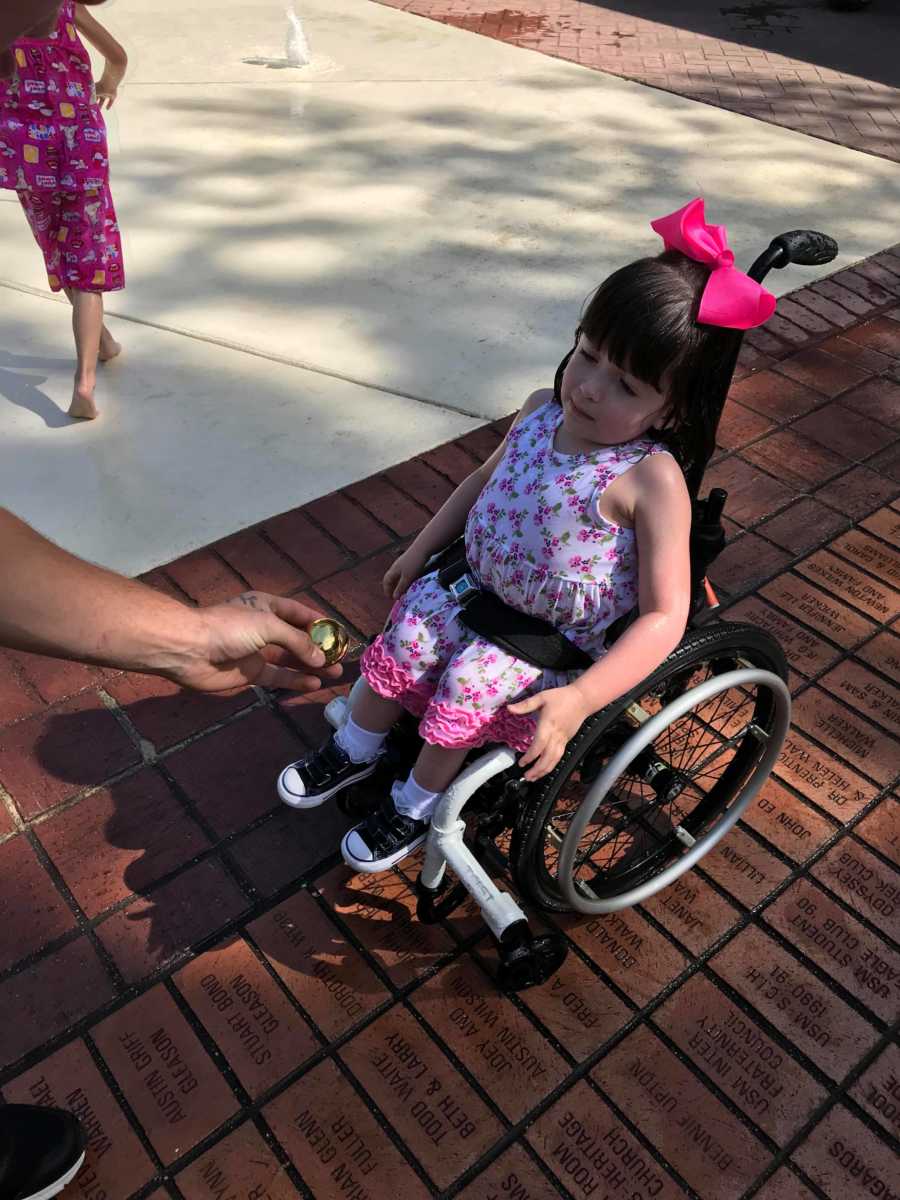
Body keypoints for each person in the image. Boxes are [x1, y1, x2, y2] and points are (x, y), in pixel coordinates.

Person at [277, 198, 776, 875]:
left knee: (471, 681)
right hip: (473, 587)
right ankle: (358, 745)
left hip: (544, 639)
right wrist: (422, 546)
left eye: (625, 383)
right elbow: (483, 479)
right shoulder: (542, 410)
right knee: (409, 627)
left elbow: (665, 615)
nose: (591, 389)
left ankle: (417, 802)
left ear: (674, 407)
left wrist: (581, 698)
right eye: (587, 355)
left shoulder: (650, 479)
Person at [1, 0, 127, 420]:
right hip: (82, 146)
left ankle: (103, 343)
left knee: (59, 247)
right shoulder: (66, 7)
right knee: (85, 254)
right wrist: (108, 84)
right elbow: (118, 56)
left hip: (29, 154)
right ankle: (85, 383)